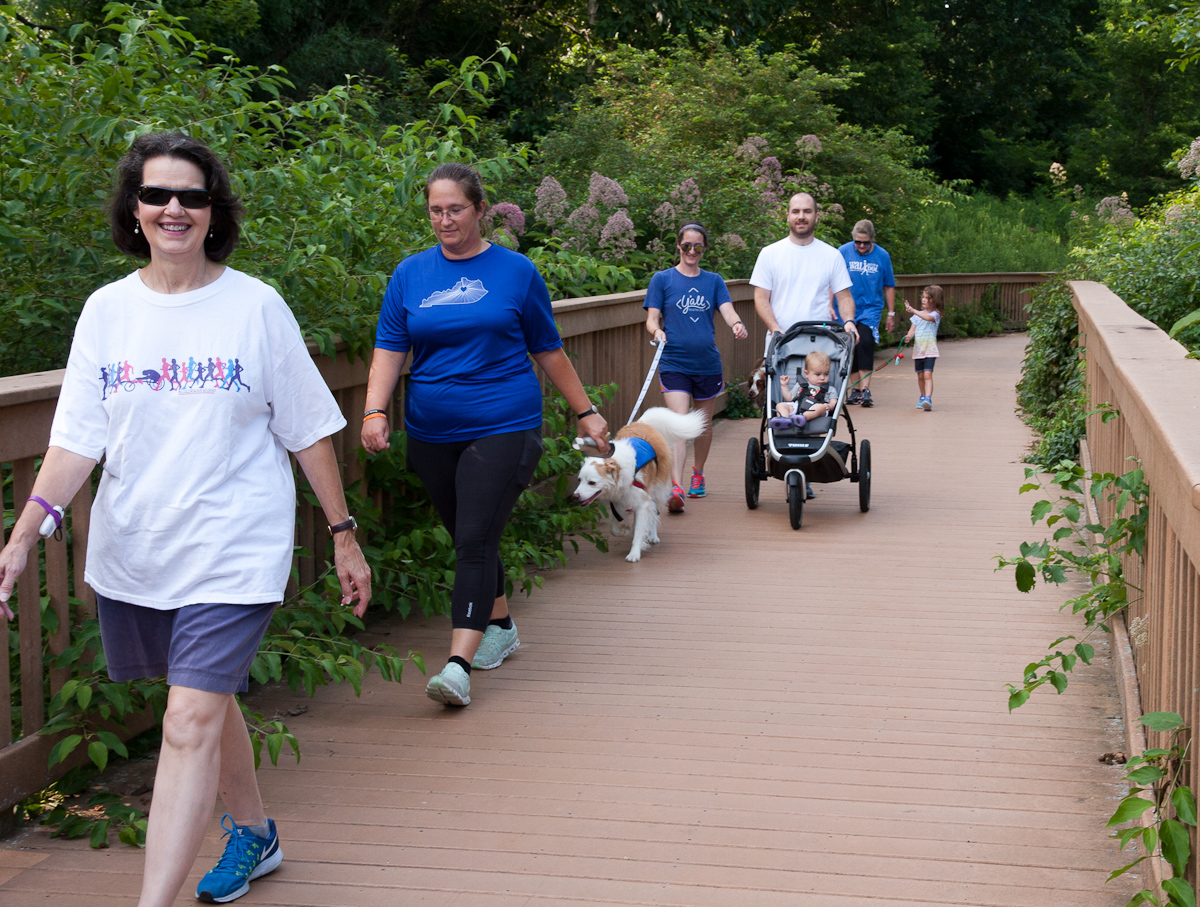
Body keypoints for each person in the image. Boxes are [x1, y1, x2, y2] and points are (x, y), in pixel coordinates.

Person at [0, 133, 371, 907]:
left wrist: (344, 536)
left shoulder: (255, 306)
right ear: (134, 209)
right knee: (199, 696)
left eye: (192, 196)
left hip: (235, 546)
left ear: (213, 211)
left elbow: (307, 427)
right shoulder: (108, 311)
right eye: (158, 194)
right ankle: (256, 832)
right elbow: (76, 437)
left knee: (185, 719)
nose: (174, 208)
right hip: (139, 545)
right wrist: (25, 528)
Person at [361, 162, 608, 708]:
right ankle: (500, 624)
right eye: (435, 210)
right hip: (430, 430)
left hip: (504, 423)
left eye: (455, 209)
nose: (444, 219)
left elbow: (547, 346)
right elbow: (389, 347)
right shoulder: (410, 274)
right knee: (470, 534)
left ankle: (457, 664)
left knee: (473, 540)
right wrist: (374, 411)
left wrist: (585, 410)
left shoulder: (515, 271)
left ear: (479, 210)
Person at [644, 223, 748, 512]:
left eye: (698, 246)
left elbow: (727, 310)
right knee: (679, 423)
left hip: (707, 363)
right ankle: (675, 487)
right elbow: (651, 318)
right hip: (674, 361)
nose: (692, 251)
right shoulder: (662, 279)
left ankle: (698, 473)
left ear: (705, 249)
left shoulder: (713, 281)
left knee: (701, 425)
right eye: (687, 245)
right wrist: (656, 332)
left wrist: (737, 324)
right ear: (678, 246)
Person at [750, 192, 859, 342]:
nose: (801, 216)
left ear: (816, 216)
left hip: (821, 347)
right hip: (780, 345)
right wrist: (774, 328)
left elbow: (844, 296)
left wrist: (849, 321)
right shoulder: (769, 253)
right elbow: (761, 298)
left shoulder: (832, 255)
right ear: (788, 216)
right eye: (796, 211)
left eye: (807, 211)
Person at [836, 219, 895, 407]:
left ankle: (866, 389)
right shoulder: (842, 252)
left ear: (872, 240)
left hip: (870, 308)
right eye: (858, 242)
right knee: (850, 344)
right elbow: (833, 280)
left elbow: (888, 285)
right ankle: (855, 390)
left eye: (865, 242)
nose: (861, 246)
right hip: (846, 308)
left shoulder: (882, 256)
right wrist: (829, 305)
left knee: (866, 342)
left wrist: (891, 313)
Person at [768, 350, 836, 430]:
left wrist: (829, 406)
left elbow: (834, 402)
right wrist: (784, 385)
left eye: (826, 374)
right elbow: (790, 398)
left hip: (816, 410)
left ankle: (803, 418)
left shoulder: (830, 389)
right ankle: (784, 420)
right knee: (780, 405)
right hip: (798, 407)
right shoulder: (800, 385)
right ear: (806, 374)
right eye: (818, 374)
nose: (822, 378)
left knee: (820, 407)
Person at [905, 285, 944, 411]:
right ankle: (922, 396)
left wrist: (912, 310)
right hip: (918, 351)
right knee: (920, 375)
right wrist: (908, 337)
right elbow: (912, 330)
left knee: (928, 374)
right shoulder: (917, 316)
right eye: (923, 297)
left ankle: (928, 398)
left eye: (927, 298)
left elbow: (927, 318)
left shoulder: (935, 314)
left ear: (934, 300)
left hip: (930, 350)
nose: (923, 300)